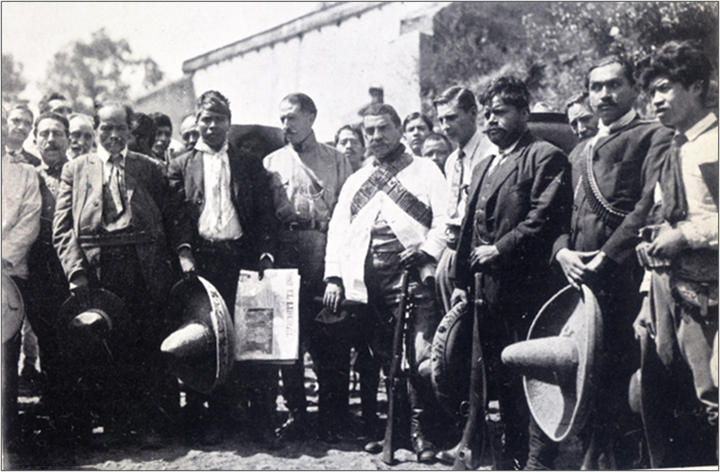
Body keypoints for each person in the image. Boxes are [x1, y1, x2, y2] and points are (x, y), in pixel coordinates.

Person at [527, 55, 673, 470]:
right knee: (586, 378)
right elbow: (558, 216)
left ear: (633, 89)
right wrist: (562, 252)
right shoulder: (579, 151)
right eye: (596, 87)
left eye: (614, 85)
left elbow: (647, 207)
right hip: (579, 283)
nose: (604, 95)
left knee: (626, 381)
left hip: (626, 278)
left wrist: (607, 256)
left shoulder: (653, 135)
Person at [449, 76, 571, 469]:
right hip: (486, 290)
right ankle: (510, 455)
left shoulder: (545, 156)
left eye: (500, 112)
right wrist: (461, 283)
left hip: (527, 290)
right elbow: (469, 229)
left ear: (524, 112)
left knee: (530, 374)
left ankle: (538, 459)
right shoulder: (485, 165)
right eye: (487, 114)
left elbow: (543, 220)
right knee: (497, 376)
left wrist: (499, 249)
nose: (491, 121)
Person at [53, 101, 189, 448]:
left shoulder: (149, 168)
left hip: (143, 268)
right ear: (96, 128)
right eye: (106, 128)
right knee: (106, 348)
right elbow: (63, 229)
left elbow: (173, 217)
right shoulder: (75, 169)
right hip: (97, 271)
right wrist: (76, 272)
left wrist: (181, 254)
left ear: (130, 131)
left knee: (146, 346)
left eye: (121, 129)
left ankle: (149, 424)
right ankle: (114, 425)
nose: (114, 135)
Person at [323, 103, 448, 462]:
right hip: (368, 285)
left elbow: (445, 219)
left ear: (398, 129)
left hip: (413, 279)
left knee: (418, 356)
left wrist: (426, 250)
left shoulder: (426, 171)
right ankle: (393, 431)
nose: (376, 137)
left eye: (383, 129)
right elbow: (338, 231)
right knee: (384, 360)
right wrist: (334, 277)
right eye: (370, 131)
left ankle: (423, 434)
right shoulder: (356, 180)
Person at [168, 90, 278, 446]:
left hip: (240, 259)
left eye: (219, 119)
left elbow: (264, 215)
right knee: (209, 339)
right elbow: (177, 217)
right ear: (197, 122)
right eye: (206, 119)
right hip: (201, 263)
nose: (212, 126)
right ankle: (216, 419)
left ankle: (260, 421)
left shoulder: (248, 163)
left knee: (251, 337)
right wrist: (185, 253)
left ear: (229, 122)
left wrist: (264, 254)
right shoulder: (181, 165)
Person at [633, 40, 718, 468]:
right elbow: (664, 221)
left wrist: (685, 237)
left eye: (665, 88)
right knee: (677, 404)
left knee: (714, 399)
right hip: (672, 297)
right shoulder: (674, 149)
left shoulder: (714, 145)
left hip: (712, 299)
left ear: (697, 86)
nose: (656, 100)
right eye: (652, 92)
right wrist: (647, 298)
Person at [264, 93, 353, 442]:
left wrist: (338, 271)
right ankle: (297, 414)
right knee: (289, 341)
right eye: (282, 118)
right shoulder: (272, 162)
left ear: (312, 117)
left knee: (330, 338)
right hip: (287, 256)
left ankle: (333, 418)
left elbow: (348, 218)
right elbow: (265, 219)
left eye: (292, 117)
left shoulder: (337, 160)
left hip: (324, 251)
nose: (285, 125)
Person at [24, 113, 76, 438]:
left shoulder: (81, 172)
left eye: (57, 133)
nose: (51, 140)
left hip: (75, 269)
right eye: (44, 134)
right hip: (40, 271)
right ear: (35, 140)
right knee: (48, 342)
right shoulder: (29, 177)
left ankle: (83, 416)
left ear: (68, 138)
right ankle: (58, 416)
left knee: (79, 339)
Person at [433, 86, 494, 314]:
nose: (445, 126)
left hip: (476, 251)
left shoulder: (491, 153)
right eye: (441, 120)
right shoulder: (452, 161)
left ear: (473, 113)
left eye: (451, 117)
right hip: (451, 251)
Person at [2, 122, 41, 451]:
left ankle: (6, 432)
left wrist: (3, 259)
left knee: (5, 356)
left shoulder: (25, 174)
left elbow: (29, 219)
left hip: (8, 273)